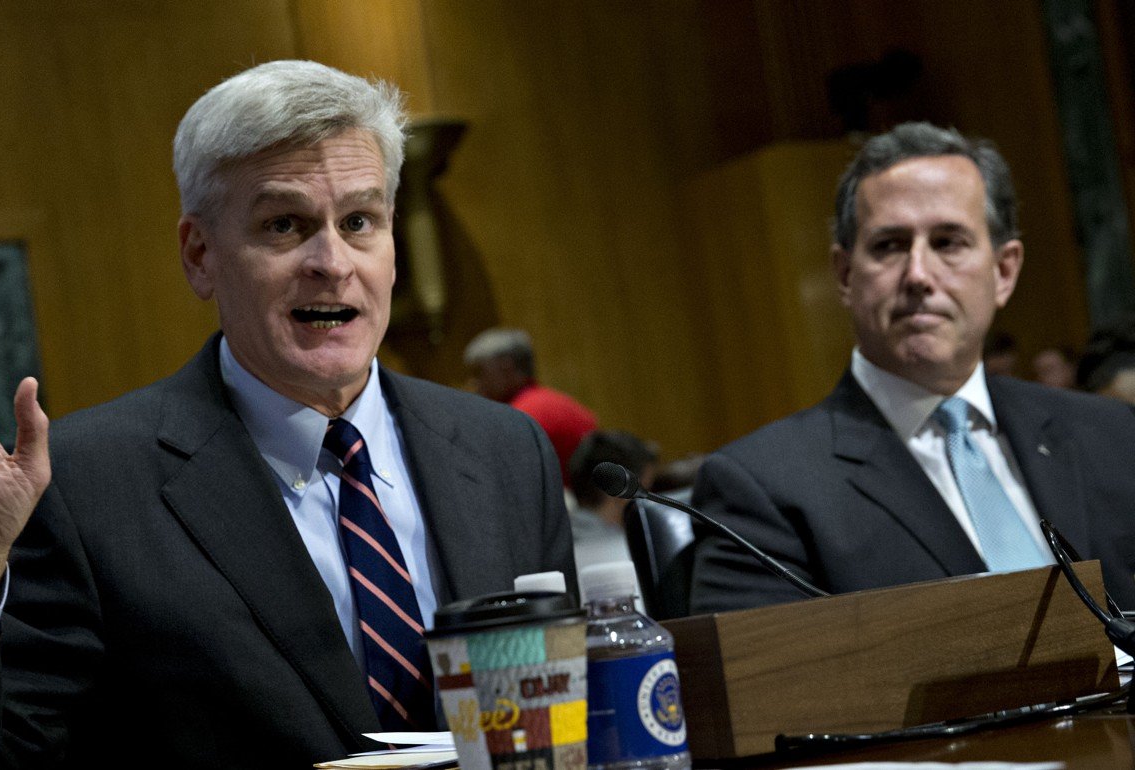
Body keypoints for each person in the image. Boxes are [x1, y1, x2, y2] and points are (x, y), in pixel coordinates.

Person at [0, 60, 574, 767]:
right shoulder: (84, 486)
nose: (332, 261)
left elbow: (567, 722)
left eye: (359, 220)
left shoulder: (506, 449)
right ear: (200, 254)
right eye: (285, 225)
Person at [688, 122, 1135, 615]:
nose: (919, 275)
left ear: (1003, 271)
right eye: (889, 246)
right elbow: (762, 686)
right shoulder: (764, 489)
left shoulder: (1113, 436)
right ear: (843, 275)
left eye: (948, 242)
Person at [464, 327, 598, 486]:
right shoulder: (560, 401)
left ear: (506, 367)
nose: (474, 383)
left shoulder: (520, 417)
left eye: (479, 372)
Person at [566, 430, 658, 573]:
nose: (648, 500)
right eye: (645, 489)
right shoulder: (622, 553)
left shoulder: (557, 542)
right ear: (619, 488)